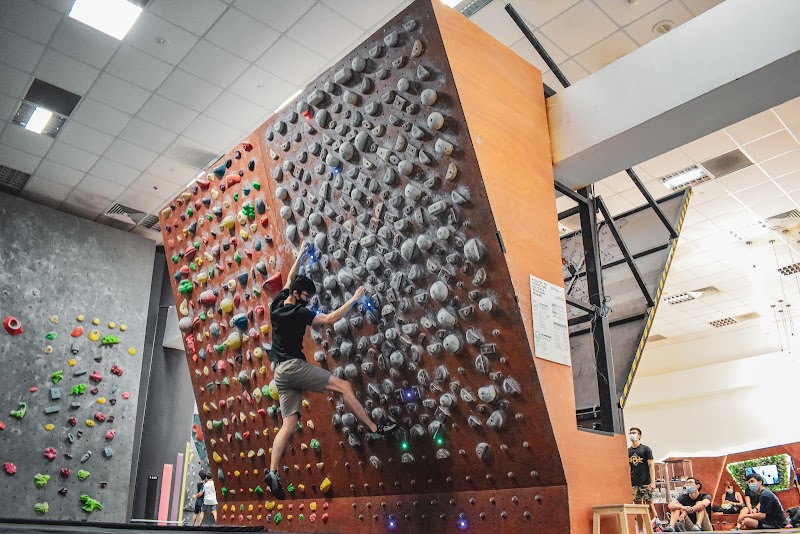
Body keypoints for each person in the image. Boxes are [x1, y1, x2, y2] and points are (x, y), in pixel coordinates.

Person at [263, 243, 396, 500]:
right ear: (299, 295)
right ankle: (373, 427)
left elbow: (290, 278)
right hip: (292, 367)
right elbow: (330, 319)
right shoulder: (296, 312)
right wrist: (354, 299)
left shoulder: (278, 303)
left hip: (280, 373)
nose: (308, 300)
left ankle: (273, 472)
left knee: (289, 424)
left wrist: (300, 255)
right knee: (343, 386)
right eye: (307, 296)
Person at [628, 427, 658, 526]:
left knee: (649, 504)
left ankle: (656, 526)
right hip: (634, 483)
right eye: (630, 433)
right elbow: (628, 467)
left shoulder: (646, 449)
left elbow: (651, 466)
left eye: (634, 433)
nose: (632, 435)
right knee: (638, 507)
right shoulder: (628, 451)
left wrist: (653, 482)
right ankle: (641, 530)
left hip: (646, 482)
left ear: (639, 436)